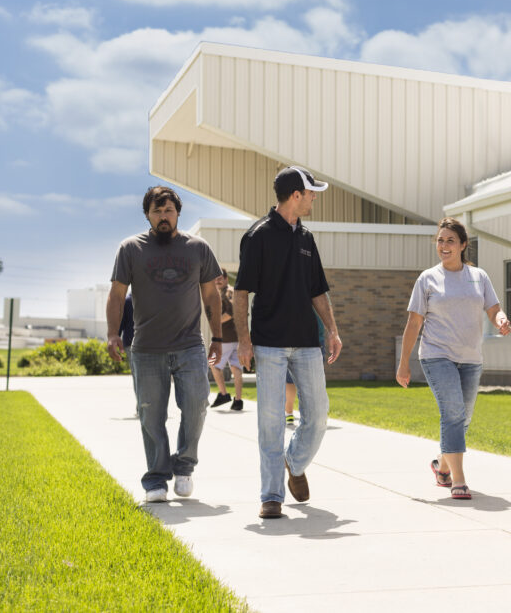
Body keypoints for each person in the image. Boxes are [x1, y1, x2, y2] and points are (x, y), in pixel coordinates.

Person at [234, 166, 343, 519]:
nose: (315, 197)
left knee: (319, 416)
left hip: (307, 344)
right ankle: (271, 495)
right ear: (296, 194)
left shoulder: (307, 239)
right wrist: (244, 341)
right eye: (311, 192)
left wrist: (332, 330)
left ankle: (293, 463)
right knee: (270, 423)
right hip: (269, 345)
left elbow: (317, 291)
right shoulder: (257, 236)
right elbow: (240, 293)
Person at [107, 185, 224, 504]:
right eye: (157, 211)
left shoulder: (198, 248)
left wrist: (218, 336)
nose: (163, 216)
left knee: (198, 405)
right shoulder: (130, 248)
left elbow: (211, 295)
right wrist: (113, 333)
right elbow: (117, 294)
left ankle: (184, 466)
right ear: (147, 214)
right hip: (146, 349)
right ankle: (156, 479)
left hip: (190, 346)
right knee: (150, 415)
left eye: (168, 210)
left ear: (178, 213)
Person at [396, 217, 511, 500]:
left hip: (471, 357)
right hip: (437, 355)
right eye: (440, 240)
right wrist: (403, 363)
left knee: (464, 417)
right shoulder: (428, 278)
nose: (444, 246)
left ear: (462, 245)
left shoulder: (478, 277)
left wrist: (501, 319)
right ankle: (458, 480)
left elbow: (493, 308)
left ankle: (442, 466)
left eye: (450, 241)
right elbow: (413, 323)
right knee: (453, 414)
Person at [210, 272, 244, 411]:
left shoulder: (228, 292)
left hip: (226, 338)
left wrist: (216, 322)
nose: (217, 281)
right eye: (215, 279)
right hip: (237, 338)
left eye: (219, 278)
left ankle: (223, 394)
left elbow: (230, 313)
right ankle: (238, 400)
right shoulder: (229, 291)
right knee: (236, 368)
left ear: (225, 278)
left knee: (212, 363)